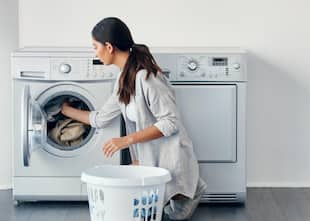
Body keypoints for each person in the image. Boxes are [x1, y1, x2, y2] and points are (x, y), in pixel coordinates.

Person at [60, 17, 207, 220]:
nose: (95, 53)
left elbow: (170, 122)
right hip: (150, 159)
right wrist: (65, 109)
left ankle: (190, 191)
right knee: (123, 201)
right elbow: (101, 118)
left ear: (109, 47)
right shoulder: (123, 80)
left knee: (155, 213)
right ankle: (176, 196)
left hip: (170, 158)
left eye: (95, 47)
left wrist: (127, 140)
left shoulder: (147, 78)